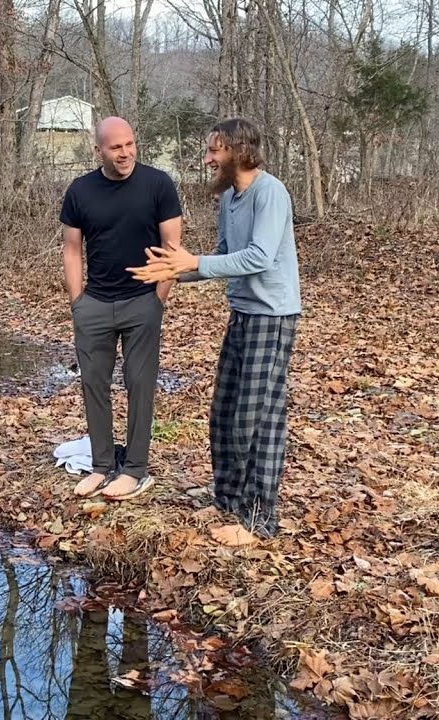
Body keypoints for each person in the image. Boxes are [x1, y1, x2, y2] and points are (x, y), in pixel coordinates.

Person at [127, 117, 300, 537]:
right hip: (242, 313)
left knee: (255, 419)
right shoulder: (230, 200)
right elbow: (225, 255)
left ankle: (259, 520)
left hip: (272, 315)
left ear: (239, 151)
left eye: (214, 151)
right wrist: (172, 271)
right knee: (224, 413)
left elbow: (259, 256)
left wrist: (195, 262)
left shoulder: (270, 193)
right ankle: (227, 503)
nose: (207, 159)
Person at [60, 116, 183, 501]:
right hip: (94, 303)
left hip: (141, 302)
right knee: (94, 382)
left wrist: (157, 298)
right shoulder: (81, 191)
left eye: (130, 144)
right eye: (116, 147)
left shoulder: (158, 184)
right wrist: (78, 302)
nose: (125, 153)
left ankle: (135, 468)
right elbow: (72, 248)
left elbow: (173, 247)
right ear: (99, 150)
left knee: (139, 383)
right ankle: (100, 465)